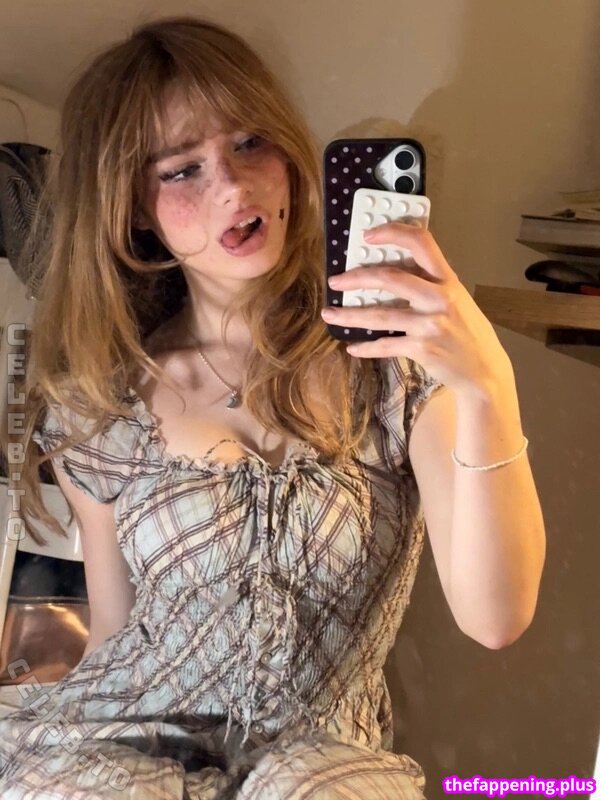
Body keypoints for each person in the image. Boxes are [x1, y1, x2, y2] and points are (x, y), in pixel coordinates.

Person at [0, 15, 546, 799]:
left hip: (325, 757)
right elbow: (115, 632)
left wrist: (488, 382)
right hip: (116, 740)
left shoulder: (394, 372)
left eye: (250, 142)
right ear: (134, 208)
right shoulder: (108, 401)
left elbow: (496, 619)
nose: (232, 185)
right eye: (182, 170)